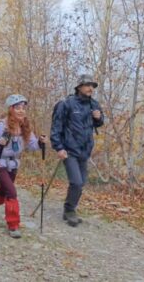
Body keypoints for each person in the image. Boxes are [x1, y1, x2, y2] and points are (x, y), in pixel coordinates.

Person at [0, 94, 47, 238]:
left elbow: (32, 145)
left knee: (5, 190)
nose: (21, 110)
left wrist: (40, 143)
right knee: (11, 191)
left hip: (13, 164)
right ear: (11, 109)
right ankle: (13, 225)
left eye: (23, 108)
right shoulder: (2, 126)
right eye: (17, 107)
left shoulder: (24, 126)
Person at [50, 74, 104, 227]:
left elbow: (99, 123)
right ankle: (69, 211)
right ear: (79, 87)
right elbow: (56, 127)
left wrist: (98, 118)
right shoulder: (66, 104)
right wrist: (58, 147)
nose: (91, 88)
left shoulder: (94, 104)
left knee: (81, 183)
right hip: (69, 150)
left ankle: (69, 208)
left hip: (85, 150)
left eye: (92, 86)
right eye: (88, 85)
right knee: (76, 181)